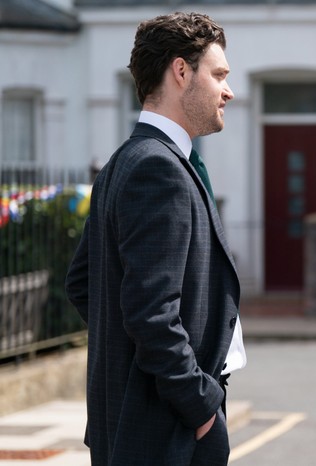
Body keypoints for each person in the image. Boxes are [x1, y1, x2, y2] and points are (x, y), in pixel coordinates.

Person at [65, 12, 242, 466]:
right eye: (219, 75)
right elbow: (151, 314)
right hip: (166, 432)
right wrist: (200, 406)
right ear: (181, 72)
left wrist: (129, 357)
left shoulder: (124, 161)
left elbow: (82, 284)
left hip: (140, 424)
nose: (229, 91)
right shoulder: (157, 168)